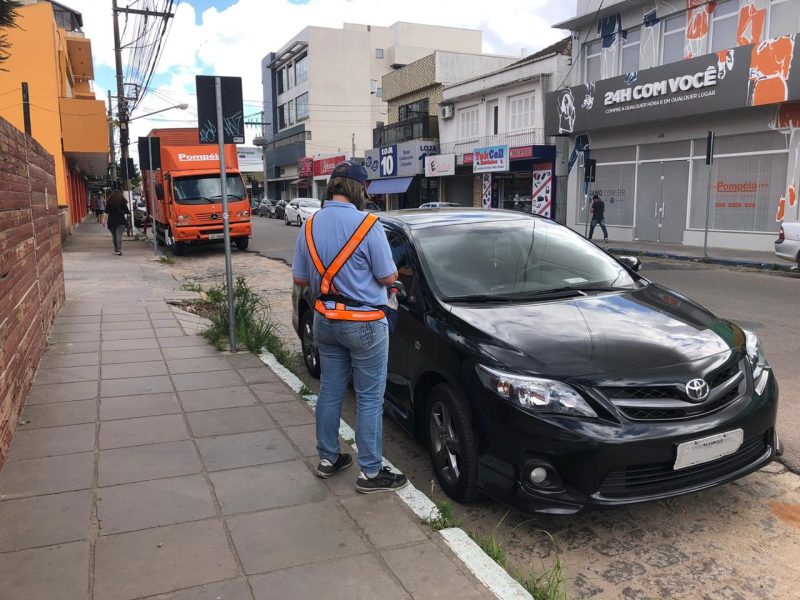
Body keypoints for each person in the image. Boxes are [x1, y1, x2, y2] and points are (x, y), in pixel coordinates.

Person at [292, 160, 408, 494]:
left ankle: (329, 458)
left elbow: (301, 278)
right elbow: (388, 277)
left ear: (332, 187)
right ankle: (371, 472)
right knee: (370, 398)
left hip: (325, 320)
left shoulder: (310, 225)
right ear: (360, 189)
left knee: (330, 390)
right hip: (365, 324)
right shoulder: (367, 225)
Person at [104, 191, 130, 255]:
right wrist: (123, 212)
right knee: (119, 235)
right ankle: (119, 249)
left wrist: (103, 221)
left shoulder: (109, 202)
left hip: (111, 221)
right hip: (121, 221)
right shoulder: (123, 201)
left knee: (114, 235)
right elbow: (127, 211)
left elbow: (106, 212)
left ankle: (116, 248)